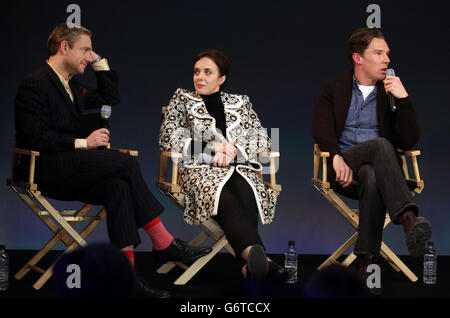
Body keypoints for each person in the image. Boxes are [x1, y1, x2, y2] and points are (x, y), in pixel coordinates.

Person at [14, 23, 211, 298]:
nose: (89, 55)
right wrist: (85, 142)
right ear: (64, 47)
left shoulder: (70, 84)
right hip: (46, 169)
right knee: (125, 163)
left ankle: (126, 279)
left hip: (70, 168)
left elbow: (110, 97)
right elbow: (34, 137)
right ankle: (164, 244)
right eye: (85, 50)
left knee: (117, 186)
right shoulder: (34, 84)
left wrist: (99, 63)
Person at [312, 28, 432, 275]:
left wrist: (404, 100)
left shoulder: (390, 92)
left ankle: (368, 262)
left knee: (371, 173)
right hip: (343, 168)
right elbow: (320, 128)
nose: (387, 59)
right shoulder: (333, 89)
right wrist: (335, 157)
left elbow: (408, 141)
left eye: (387, 53)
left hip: (381, 175)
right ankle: (408, 217)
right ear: (358, 58)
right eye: (378, 53)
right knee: (379, 145)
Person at [159, 49, 286, 280]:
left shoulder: (240, 102)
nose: (200, 77)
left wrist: (235, 151)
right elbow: (168, 138)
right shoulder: (181, 99)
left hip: (238, 167)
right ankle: (262, 261)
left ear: (222, 78)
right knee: (223, 198)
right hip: (199, 171)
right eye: (197, 72)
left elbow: (261, 138)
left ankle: (254, 265)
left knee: (247, 190)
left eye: (208, 72)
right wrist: (211, 149)